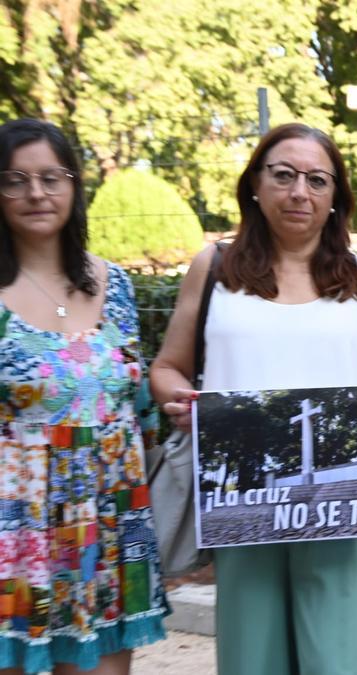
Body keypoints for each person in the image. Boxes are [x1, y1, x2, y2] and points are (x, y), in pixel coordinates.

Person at [149, 123, 357, 674]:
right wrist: (182, 400)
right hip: (242, 501)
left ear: (336, 198)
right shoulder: (214, 269)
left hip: (340, 503)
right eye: (283, 175)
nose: (299, 192)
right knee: (250, 659)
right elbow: (166, 367)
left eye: (316, 180)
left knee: (336, 661)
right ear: (255, 184)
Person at [0, 118, 168, 674]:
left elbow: (140, 405)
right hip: (18, 528)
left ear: (74, 186)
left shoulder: (115, 285)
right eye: (15, 179)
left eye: (51, 177)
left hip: (111, 521)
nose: (36, 193)